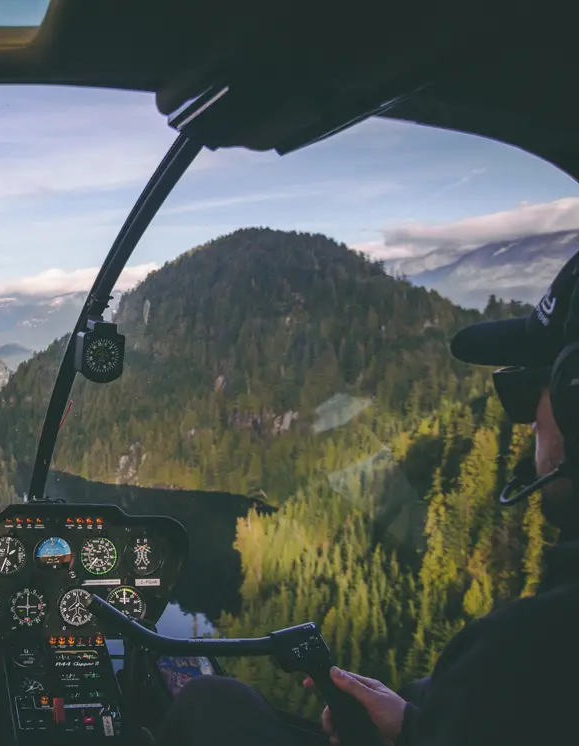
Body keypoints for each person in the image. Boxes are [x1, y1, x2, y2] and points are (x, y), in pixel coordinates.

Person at [159, 254, 579, 746]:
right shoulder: (528, 666)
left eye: (531, 390)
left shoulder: (525, 650)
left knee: (210, 700)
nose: (528, 422)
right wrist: (411, 725)